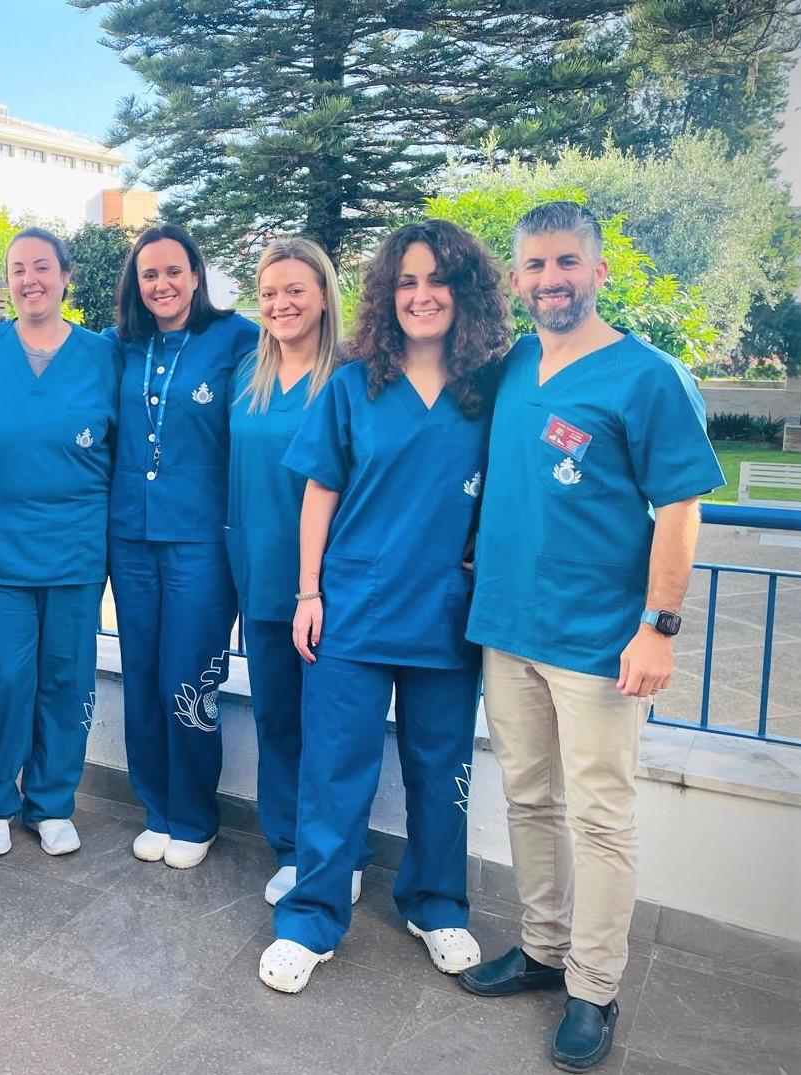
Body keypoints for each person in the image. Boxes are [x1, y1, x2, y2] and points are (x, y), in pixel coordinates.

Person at [457, 202, 722, 1072]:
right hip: (507, 628)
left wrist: (657, 627)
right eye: (533, 266)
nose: (549, 280)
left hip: (601, 642)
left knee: (601, 817)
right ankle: (540, 948)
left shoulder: (648, 377)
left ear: (599, 270)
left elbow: (680, 508)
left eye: (565, 263)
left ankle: (593, 987)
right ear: (517, 278)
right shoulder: (515, 363)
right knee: (528, 799)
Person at [258, 220, 510, 994]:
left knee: (442, 770)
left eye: (436, 280)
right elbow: (318, 492)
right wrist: (307, 591)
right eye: (405, 281)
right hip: (352, 609)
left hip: (443, 612)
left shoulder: (490, 387)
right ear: (385, 294)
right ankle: (312, 916)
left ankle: (435, 904)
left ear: (462, 291)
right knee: (333, 770)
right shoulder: (352, 383)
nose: (421, 294)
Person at [0, 227, 120, 858]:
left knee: (66, 677)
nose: (30, 280)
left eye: (42, 267)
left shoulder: (104, 355)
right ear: (6, 282)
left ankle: (51, 801)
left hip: (74, 544)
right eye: (18, 269)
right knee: (0, 677)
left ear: (66, 276)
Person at [106, 224, 258, 868]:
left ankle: (195, 815)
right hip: (129, 535)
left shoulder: (239, 338)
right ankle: (157, 807)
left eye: (173, 271)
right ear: (136, 286)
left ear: (197, 276)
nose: (162, 284)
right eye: (149, 275)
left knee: (188, 676)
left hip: (201, 540)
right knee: (141, 674)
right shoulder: (118, 346)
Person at [226, 237, 358, 907]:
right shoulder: (245, 373)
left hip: (332, 586)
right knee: (278, 719)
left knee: (333, 728)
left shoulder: (352, 377)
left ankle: (336, 851)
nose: (280, 302)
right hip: (260, 578)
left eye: (294, 289)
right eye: (269, 291)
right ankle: (288, 845)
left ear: (323, 294)